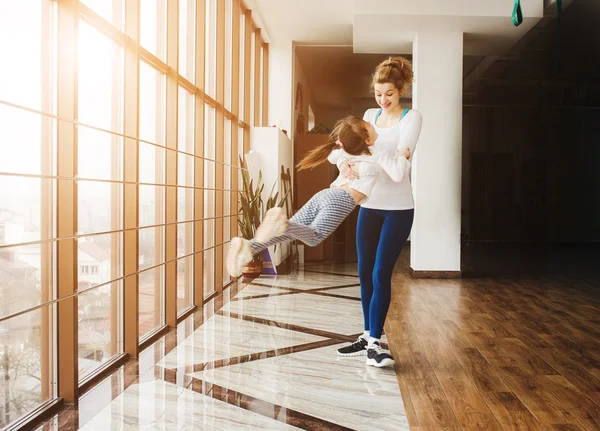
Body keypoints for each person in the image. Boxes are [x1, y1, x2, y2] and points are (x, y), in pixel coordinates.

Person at [226, 115, 412, 296]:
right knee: (314, 236)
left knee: (287, 234)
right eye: (368, 125)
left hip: (325, 194)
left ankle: (248, 246)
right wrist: (402, 157)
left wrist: (343, 163)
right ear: (368, 139)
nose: (371, 123)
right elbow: (397, 174)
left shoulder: (346, 151)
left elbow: (333, 155)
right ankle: (282, 223)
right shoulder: (376, 154)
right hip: (342, 200)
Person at [330, 56, 422, 368]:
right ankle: (369, 335)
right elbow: (347, 149)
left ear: (401, 90)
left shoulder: (412, 118)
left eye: (389, 94)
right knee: (364, 272)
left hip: (397, 209)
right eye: (378, 94)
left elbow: (399, 168)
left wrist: (372, 152)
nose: (383, 101)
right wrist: (344, 161)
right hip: (369, 205)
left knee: (382, 273)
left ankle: (376, 342)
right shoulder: (370, 115)